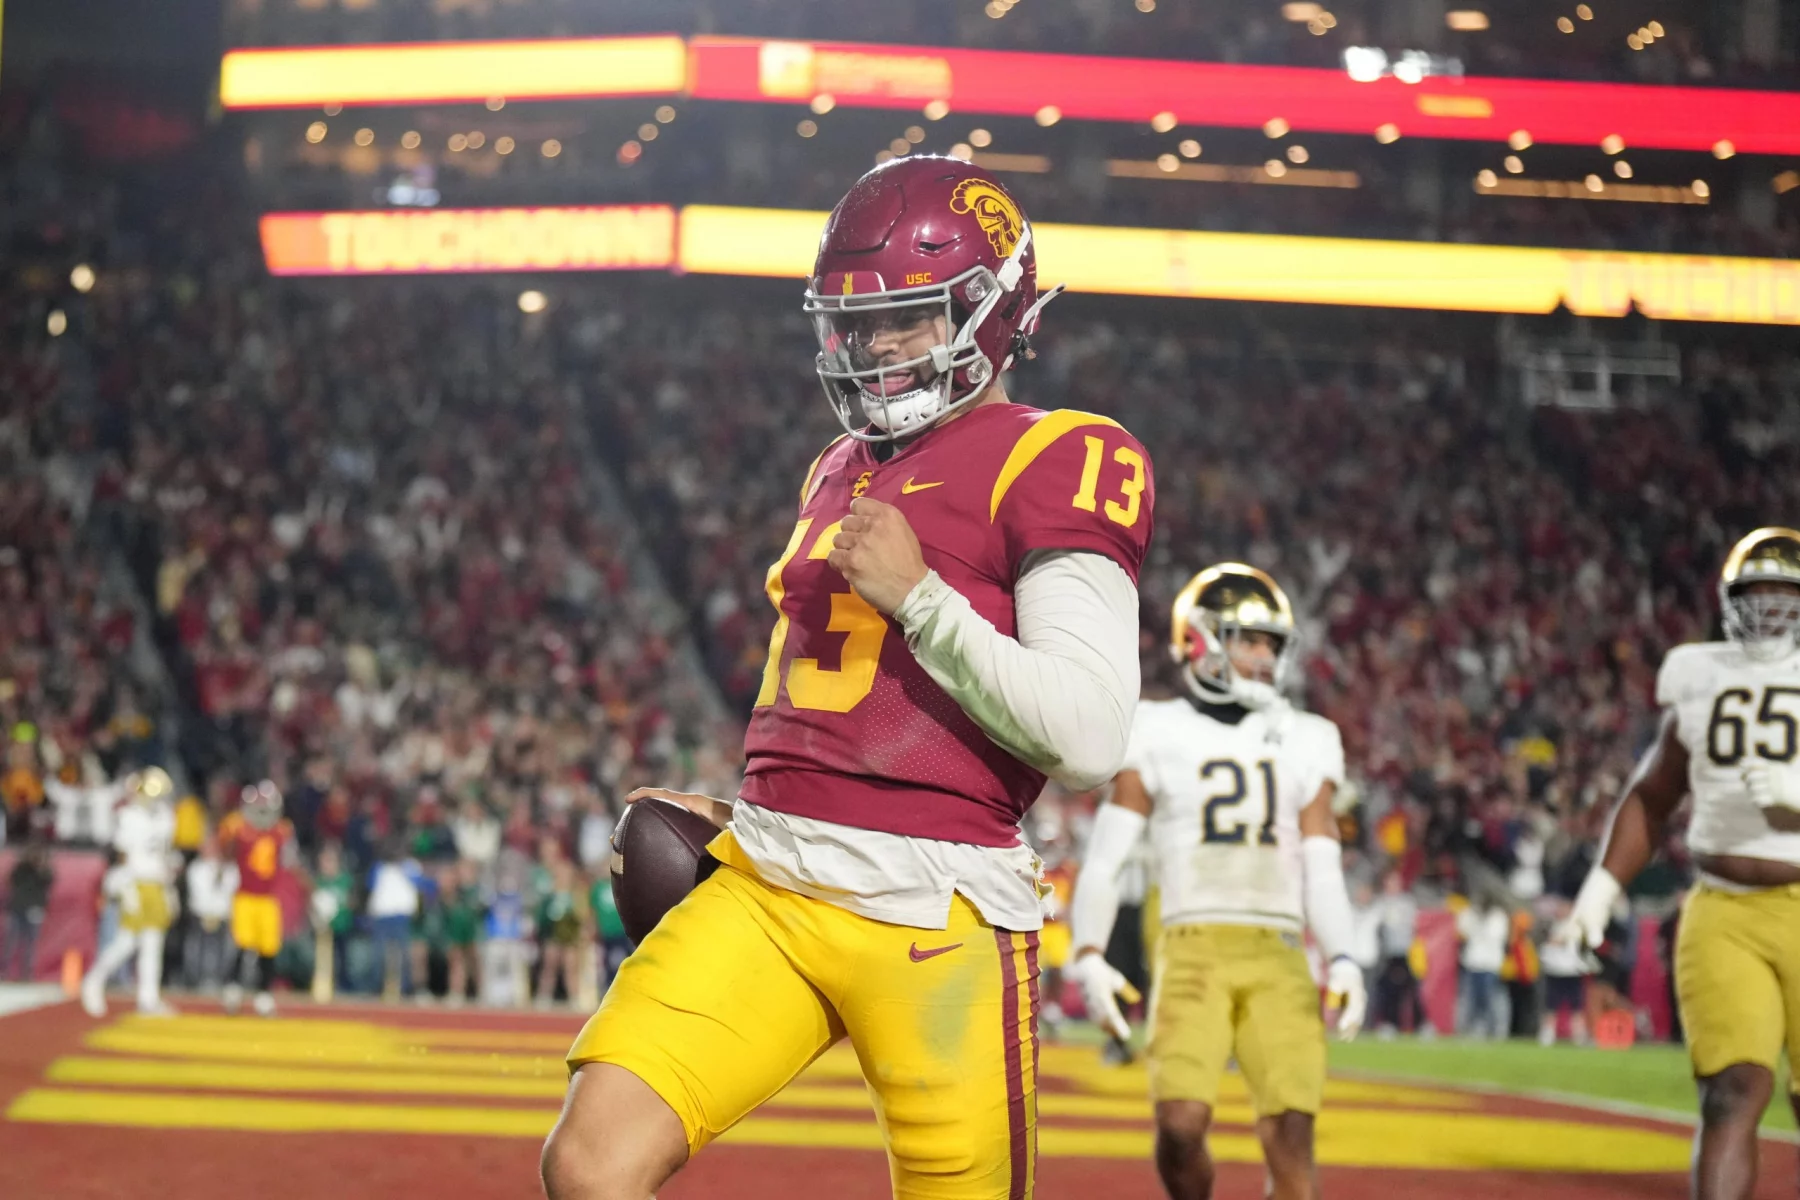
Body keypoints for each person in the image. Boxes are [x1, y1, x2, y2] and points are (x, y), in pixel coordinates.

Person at [542, 156, 1153, 1200]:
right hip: (774, 880)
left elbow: (1090, 737)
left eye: (906, 318)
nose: (876, 347)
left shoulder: (1061, 454)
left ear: (992, 308)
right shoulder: (837, 462)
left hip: (939, 912)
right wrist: (757, 807)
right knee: (589, 1165)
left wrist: (923, 599)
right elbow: (835, 706)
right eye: (858, 324)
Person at [1068, 564, 1365, 1200]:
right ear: (1200, 639)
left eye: (1271, 644)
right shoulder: (1155, 727)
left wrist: (1343, 956)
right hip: (1191, 945)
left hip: (1279, 948)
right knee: (1179, 1127)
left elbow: (1322, 865)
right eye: (1248, 640)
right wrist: (1088, 953)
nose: (1264, 657)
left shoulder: (1309, 736)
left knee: (1291, 1129)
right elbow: (1104, 860)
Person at [1564, 527, 1800, 1200]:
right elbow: (1653, 795)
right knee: (1730, 1092)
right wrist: (1600, 891)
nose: (1768, 610)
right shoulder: (1700, 674)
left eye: (1784, 595)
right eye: (1755, 595)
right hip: (1722, 906)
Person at [80, 768, 180, 1017]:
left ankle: (148, 998)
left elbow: (164, 853)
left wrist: (168, 887)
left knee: (153, 942)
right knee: (127, 942)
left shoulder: (165, 816)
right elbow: (122, 855)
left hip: (156, 883)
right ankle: (93, 980)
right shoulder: (128, 816)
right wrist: (126, 887)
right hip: (135, 881)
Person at [217, 780, 295, 1017]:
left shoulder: (282, 830)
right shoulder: (237, 826)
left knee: (268, 951)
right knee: (241, 946)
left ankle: (264, 997)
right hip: (245, 897)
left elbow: (290, 862)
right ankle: (232, 992)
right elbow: (224, 851)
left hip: (267, 899)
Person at [183, 831, 239, 992]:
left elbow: (231, 890)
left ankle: (221, 980)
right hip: (201, 915)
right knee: (197, 948)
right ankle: (196, 981)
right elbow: (199, 894)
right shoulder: (196, 868)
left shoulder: (229, 868)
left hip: (223, 916)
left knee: (225, 949)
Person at [1370, 869, 1423, 1036]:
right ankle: (1390, 1023)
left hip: (1405, 952)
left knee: (1412, 989)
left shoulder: (1407, 902)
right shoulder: (1380, 902)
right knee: (1388, 990)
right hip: (1387, 953)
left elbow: (1412, 925)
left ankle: (1421, 1024)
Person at [1456, 892, 1510, 1039]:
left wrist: (1481, 923)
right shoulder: (1470, 914)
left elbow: (1495, 936)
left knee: (1490, 998)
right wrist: (1473, 918)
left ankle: (1495, 1028)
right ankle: (1473, 1027)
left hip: (1490, 964)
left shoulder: (1498, 916)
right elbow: (1462, 931)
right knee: (1471, 998)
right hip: (1473, 962)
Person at [1538, 899, 1589, 1046]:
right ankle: (1548, 1034)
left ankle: (1579, 1035)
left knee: (1576, 1007)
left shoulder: (1575, 927)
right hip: (1554, 971)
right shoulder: (1552, 925)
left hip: (1571, 971)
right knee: (1551, 1006)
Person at [4, 838, 53, 981]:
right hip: (18, 907)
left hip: (34, 909)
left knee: (30, 943)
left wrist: (41, 866)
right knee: (11, 942)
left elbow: (48, 881)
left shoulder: (43, 869)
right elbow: (12, 880)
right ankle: (5, 971)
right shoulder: (21, 868)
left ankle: (27, 973)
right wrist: (22, 863)